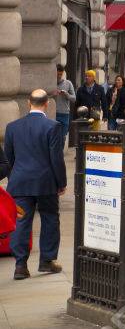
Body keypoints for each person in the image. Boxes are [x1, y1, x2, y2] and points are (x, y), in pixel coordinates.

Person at [3, 90, 66, 280]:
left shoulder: (12, 127)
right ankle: (47, 260)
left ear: (29, 103)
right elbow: (56, 159)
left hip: (20, 182)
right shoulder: (53, 126)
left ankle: (20, 265)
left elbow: (9, 157)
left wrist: (18, 174)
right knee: (49, 219)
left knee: (21, 221)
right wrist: (61, 182)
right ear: (46, 104)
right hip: (46, 183)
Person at [53, 65, 75, 148]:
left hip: (64, 113)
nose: (58, 76)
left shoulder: (68, 83)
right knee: (53, 137)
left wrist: (66, 94)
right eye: (57, 74)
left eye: (60, 74)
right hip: (53, 113)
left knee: (62, 137)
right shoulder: (50, 84)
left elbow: (74, 98)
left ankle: (60, 154)